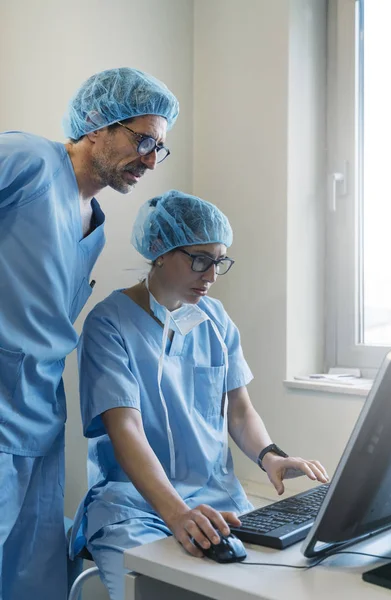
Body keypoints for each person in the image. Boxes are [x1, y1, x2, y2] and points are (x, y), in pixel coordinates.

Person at [71, 189, 329, 600]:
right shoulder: (109, 324)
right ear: (159, 250)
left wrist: (272, 456)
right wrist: (178, 514)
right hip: (134, 507)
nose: (210, 275)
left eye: (219, 261)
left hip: (218, 500)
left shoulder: (215, 319)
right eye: (200, 260)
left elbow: (239, 412)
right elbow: (127, 432)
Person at [0, 67, 179, 600]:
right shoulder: (28, 160)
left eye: (158, 148)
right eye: (143, 139)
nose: (151, 159)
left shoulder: (94, 224)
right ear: (97, 124)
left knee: (32, 578)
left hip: (39, 418)